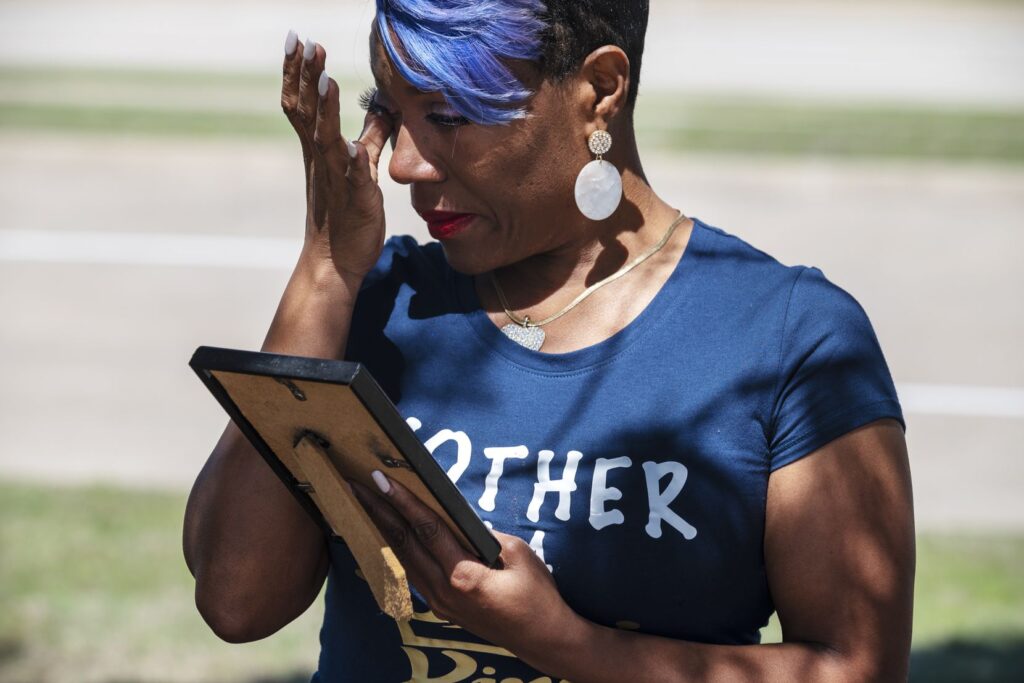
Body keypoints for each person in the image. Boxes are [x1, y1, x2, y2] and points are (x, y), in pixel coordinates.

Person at [183, 1, 915, 681]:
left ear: (599, 87)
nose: (404, 162)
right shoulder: (374, 303)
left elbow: (855, 667)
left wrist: (565, 642)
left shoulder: (788, 335)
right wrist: (326, 271)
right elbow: (236, 600)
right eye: (389, 110)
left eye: (445, 113)